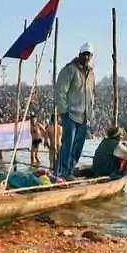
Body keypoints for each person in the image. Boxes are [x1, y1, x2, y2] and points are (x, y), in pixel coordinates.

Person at [54, 43, 96, 177]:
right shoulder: (70, 70)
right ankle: (61, 172)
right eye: (85, 54)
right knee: (67, 145)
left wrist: (91, 116)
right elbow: (60, 92)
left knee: (78, 148)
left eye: (89, 55)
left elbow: (91, 96)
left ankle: (69, 171)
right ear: (79, 55)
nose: (87, 57)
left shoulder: (91, 74)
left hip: (84, 117)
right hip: (70, 115)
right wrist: (64, 113)